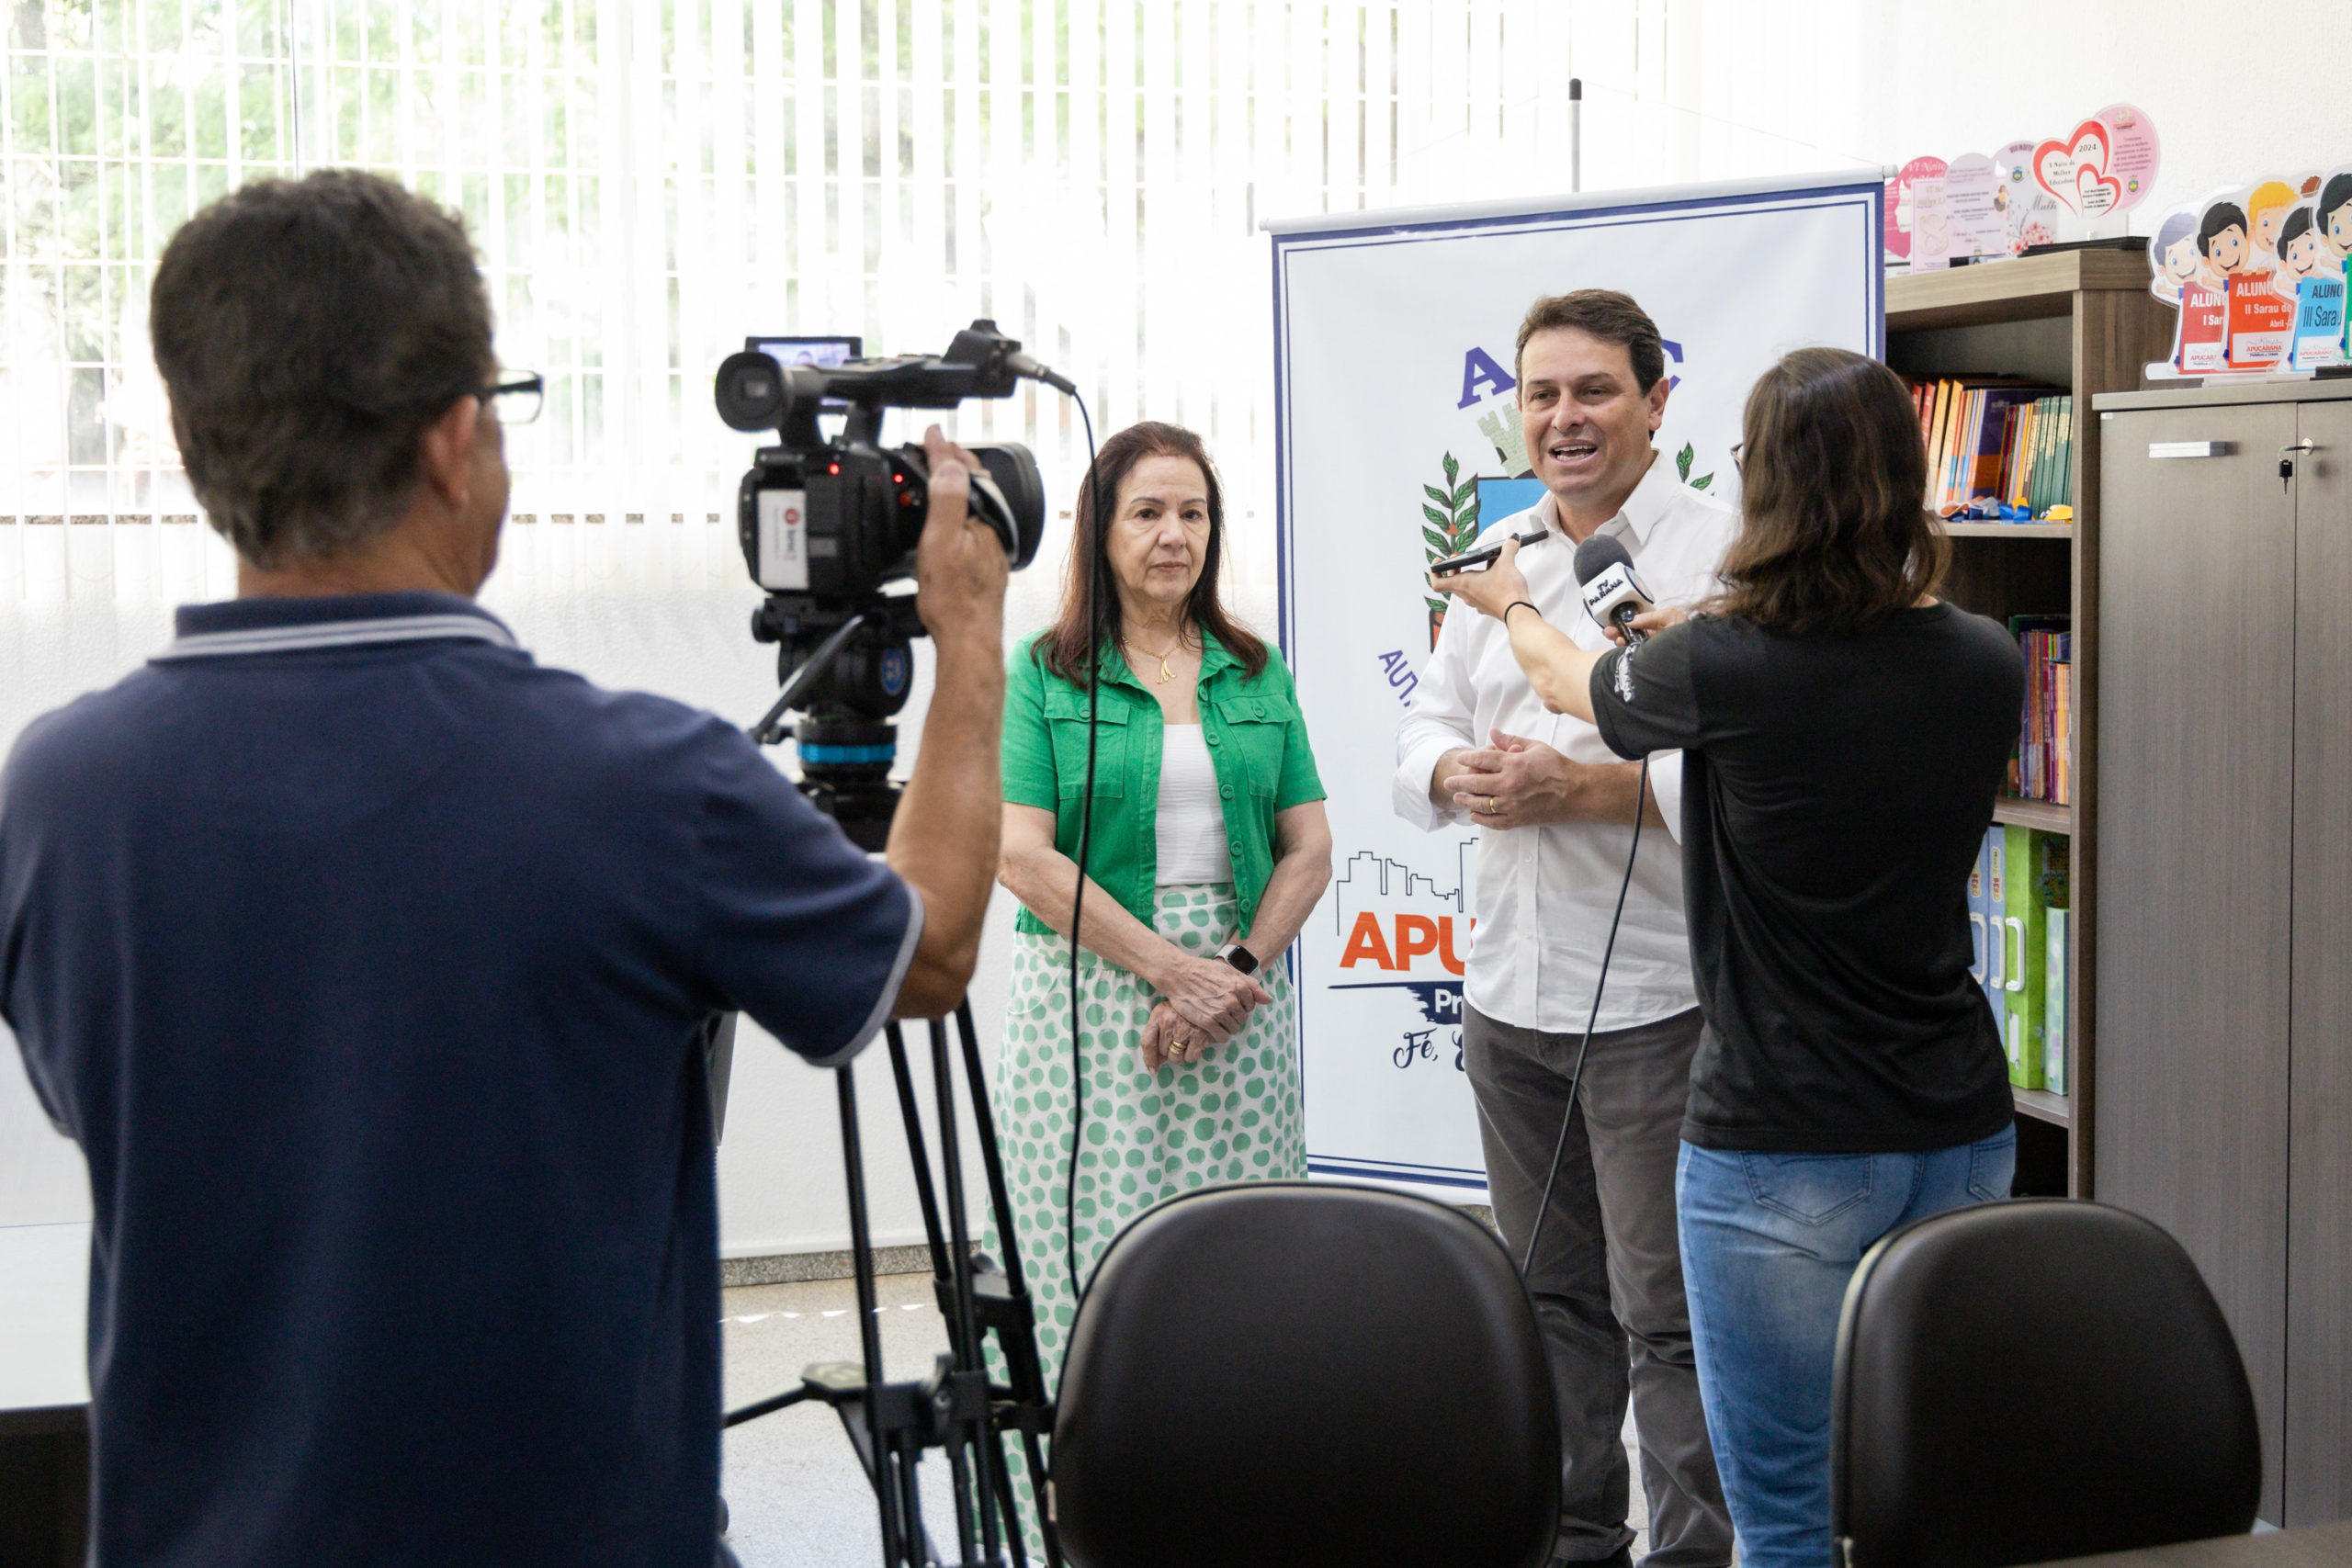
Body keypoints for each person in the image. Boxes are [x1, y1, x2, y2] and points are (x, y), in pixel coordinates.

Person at [0, 170, 1010, 1568]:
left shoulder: (55, 799)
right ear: (454, 442)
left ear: (191, 445)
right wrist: (968, 641)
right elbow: (936, 942)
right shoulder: (645, 784)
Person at [1431, 345, 2023, 1568]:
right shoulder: (1986, 656)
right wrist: (1689, 625)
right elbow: (1833, 648)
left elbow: (1582, 686)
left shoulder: (1730, 668)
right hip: (1959, 1118)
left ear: (1770, 489)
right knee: (1938, 1491)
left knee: (1786, 1517)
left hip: (1783, 1139)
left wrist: (1515, 603)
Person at [1395, 290, 1734, 1568]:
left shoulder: (1721, 552)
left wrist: (1578, 787)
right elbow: (1424, 724)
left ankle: (1695, 1553)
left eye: (1593, 390)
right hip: (1506, 999)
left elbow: (1741, 787)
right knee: (1548, 1303)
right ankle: (1578, 1539)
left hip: (1656, 1000)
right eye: (1541, 394)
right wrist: (1452, 778)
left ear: (1656, 400)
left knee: (1668, 1314)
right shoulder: (1502, 559)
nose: (1564, 417)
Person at [989, 420, 1332, 1545]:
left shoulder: (1250, 666)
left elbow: (1309, 847)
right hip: (1092, 1002)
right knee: (1080, 1259)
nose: (1173, 534)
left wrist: (1228, 974)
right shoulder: (1043, 674)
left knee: (1233, 1267)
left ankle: (1227, 1496)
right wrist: (1167, 971)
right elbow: (1022, 855)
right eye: (1147, 511)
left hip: (1236, 1008)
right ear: (1099, 530)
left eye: (1192, 512)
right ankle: (1080, 1507)